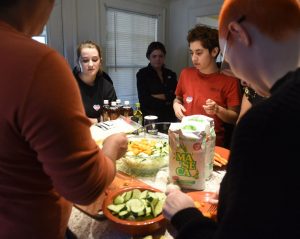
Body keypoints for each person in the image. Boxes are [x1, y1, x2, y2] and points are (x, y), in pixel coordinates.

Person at [163, 0, 300, 238]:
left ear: (238, 33)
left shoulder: (263, 123)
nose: (230, 67)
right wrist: (232, 197)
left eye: (225, 52)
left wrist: (185, 215)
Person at [0, 1, 128, 239]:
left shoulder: (105, 84)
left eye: (95, 59)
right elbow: (86, 187)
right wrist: (111, 148)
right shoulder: (39, 64)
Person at [173, 25, 241, 146]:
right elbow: (177, 98)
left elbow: (234, 117)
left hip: (211, 144)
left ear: (214, 51)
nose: (194, 58)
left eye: (199, 53)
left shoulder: (229, 81)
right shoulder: (186, 74)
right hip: (184, 139)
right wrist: (176, 105)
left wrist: (218, 109)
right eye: (191, 53)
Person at [73, 40, 117, 123]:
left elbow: (113, 115)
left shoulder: (107, 86)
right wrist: (98, 120)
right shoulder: (68, 85)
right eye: (85, 60)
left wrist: (91, 121)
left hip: (102, 132)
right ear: (78, 62)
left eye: (95, 59)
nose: (90, 64)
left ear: (100, 61)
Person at [136, 41, 178, 123]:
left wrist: (155, 95)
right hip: (151, 117)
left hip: (170, 117)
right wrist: (167, 98)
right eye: (154, 56)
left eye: (160, 56)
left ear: (164, 57)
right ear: (149, 57)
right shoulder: (142, 74)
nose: (157, 59)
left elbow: (175, 95)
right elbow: (144, 99)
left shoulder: (171, 74)